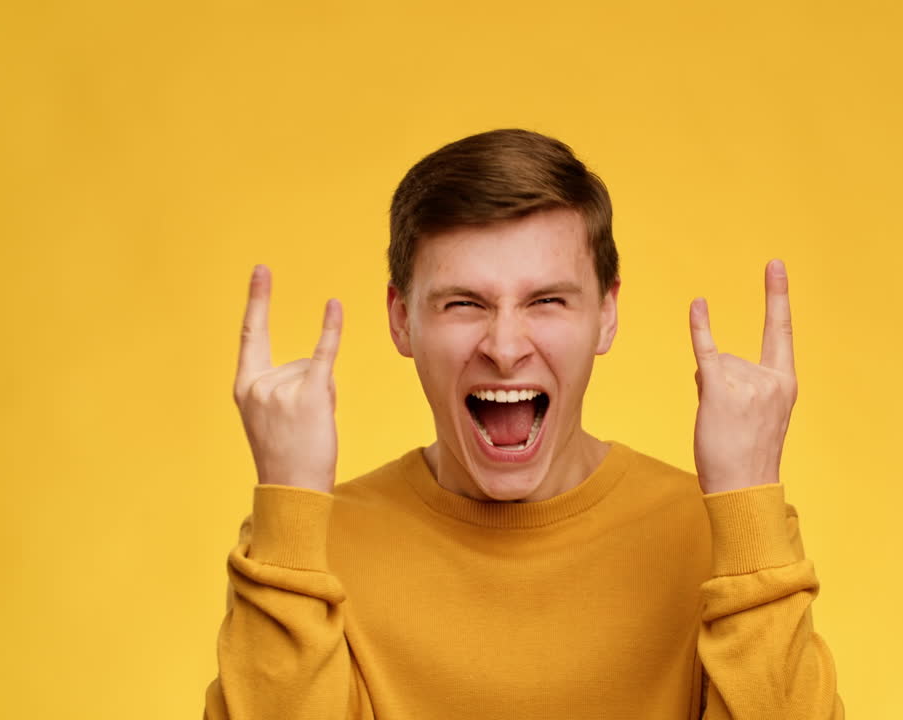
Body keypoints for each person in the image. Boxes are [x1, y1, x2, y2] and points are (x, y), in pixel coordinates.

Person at [203, 129, 843, 719]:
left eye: (546, 301)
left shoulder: (719, 537)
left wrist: (750, 499)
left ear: (606, 314)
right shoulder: (312, 548)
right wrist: (287, 504)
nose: (505, 346)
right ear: (402, 320)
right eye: (463, 303)